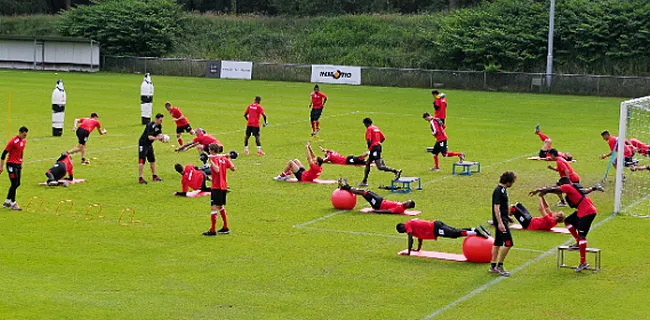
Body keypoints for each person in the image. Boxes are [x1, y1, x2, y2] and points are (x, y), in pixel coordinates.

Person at [529, 181, 605, 273]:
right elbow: (585, 191)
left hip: (587, 212)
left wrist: (540, 190)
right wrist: (594, 188)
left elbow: (554, 190)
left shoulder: (567, 187)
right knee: (568, 221)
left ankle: (583, 262)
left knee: (582, 236)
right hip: (583, 211)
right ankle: (577, 242)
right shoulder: (575, 188)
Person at [397, 219, 490, 256]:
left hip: (435, 228)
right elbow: (419, 237)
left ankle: (475, 232)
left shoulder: (408, 225)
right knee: (456, 231)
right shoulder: (412, 227)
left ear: (402, 227)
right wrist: (418, 249)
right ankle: (475, 229)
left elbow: (410, 238)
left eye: (403, 231)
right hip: (436, 226)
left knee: (454, 234)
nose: (406, 232)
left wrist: (408, 252)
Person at [203, 143, 236, 236]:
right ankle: (225, 227)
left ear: (212, 151)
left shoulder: (214, 159)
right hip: (223, 186)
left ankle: (213, 230)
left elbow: (217, 170)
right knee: (220, 207)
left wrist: (210, 161)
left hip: (217, 187)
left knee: (214, 207)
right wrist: (228, 159)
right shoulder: (224, 159)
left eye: (209, 150)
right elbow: (233, 168)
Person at [358, 118, 401, 187]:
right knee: (368, 163)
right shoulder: (376, 128)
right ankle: (364, 181)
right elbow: (383, 138)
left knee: (380, 167)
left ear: (366, 123)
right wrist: (377, 143)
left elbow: (369, 140)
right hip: (378, 147)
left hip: (374, 148)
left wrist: (370, 148)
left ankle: (396, 171)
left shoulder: (369, 128)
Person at [490, 171, 517, 277]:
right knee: (509, 243)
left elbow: (502, 207)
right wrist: (500, 222)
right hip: (501, 222)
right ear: (508, 181)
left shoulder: (503, 190)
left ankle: (493, 266)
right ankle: (499, 265)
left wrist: (507, 217)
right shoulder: (498, 191)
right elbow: (496, 207)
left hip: (503, 219)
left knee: (497, 243)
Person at [338, 178, 415, 214]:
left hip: (378, 205)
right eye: (407, 201)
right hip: (380, 200)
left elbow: (388, 211)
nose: (405, 202)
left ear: (409, 206)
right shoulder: (401, 205)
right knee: (366, 192)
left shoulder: (400, 209)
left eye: (407, 203)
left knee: (364, 193)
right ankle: (346, 187)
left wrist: (375, 211)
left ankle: (346, 187)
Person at [498, 197, 565, 231]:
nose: (555, 212)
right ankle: (507, 217)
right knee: (518, 204)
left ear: (557, 217)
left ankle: (502, 221)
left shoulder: (551, 221)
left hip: (528, 224)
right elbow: (546, 207)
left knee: (512, 208)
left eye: (556, 213)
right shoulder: (552, 218)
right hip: (530, 219)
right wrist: (542, 196)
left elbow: (541, 209)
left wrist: (540, 198)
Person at [1, 126, 28, 210]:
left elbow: (21, 152)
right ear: (19, 133)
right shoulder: (13, 141)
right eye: (23, 135)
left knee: (17, 183)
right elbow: (3, 154)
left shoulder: (24, 141)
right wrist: (1, 166)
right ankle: (13, 203)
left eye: (26, 135)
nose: (24, 137)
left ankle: (7, 201)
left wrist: (21, 162)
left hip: (18, 164)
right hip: (11, 165)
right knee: (14, 183)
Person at [138, 113, 165, 184]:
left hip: (149, 144)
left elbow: (159, 134)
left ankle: (154, 176)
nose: (161, 122)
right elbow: (149, 137)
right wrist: (157, 138)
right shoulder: (149, 125)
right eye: (160, 120)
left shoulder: (159, 126)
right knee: (142, 160)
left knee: (152, 160)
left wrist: (162, 138)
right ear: (156, 119)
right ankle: (140, 178)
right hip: (143, 144)